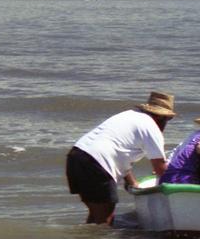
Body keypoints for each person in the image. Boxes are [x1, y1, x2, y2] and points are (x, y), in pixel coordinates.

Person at [65, 90, 174, 224]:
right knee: (105, 220)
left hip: (76, 157)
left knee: (96, 216)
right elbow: (160, 169)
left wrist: (132, 183)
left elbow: (120, 152)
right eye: (169, 119)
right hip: (97, 163)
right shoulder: (151, 128)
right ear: (161, 118)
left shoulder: (128, 116)